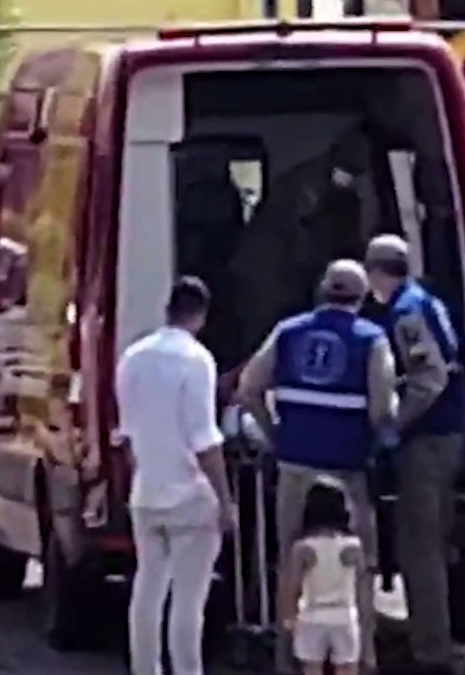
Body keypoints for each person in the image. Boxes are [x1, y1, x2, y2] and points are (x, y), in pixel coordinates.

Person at [236, 259, 397, 675]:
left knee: (292, 561)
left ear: (322, 290)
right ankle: (357, 659)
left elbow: (249, 388)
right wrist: (377, 441)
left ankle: (288, 659)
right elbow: (383, 408)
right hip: (348, 467)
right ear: (362, 298)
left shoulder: (288, 332)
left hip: (295, 464)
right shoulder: (371, 338)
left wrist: (276, 435)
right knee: (355, 565)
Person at [114, 276, 237, 675]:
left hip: (146, 491)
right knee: (188, 601)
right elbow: (204, 439)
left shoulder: (132, 357)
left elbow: (128, 433)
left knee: (147, 591)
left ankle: (144, 668)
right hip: (189, 496)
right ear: (200, 316)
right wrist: (224, 500)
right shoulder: (197, 360)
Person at [362, 234, 465, 675]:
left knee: (419, 547)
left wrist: (393, 423)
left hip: (428, 440)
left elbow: (428, 379)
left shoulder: (405, 312)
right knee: (432, 542)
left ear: (376, 271)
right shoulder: (423, 300)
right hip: (447, 434)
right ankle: (433, 638)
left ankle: (430, 651)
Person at [280, 476, 368, 675]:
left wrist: (288, 617)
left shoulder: (303, 548)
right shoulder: (353, 547)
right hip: (344, 614)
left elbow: (292, 586)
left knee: (312, 667)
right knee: (347, 667)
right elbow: (362, 583)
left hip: (311, 614)